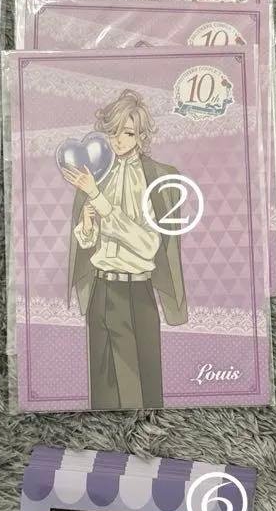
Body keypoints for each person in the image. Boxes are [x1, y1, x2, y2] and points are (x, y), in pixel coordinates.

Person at [63, 90, 187, 409]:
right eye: (113, 131)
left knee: (141, 393)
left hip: (137, 293)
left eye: (128, 133)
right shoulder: (96, 174)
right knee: (102, 392)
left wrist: (100, 202)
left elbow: (149, 245)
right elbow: (87, 243)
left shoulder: (157, 178)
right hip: (101, 290)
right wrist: (87, 225)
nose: (119, 140)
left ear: (141, 136)